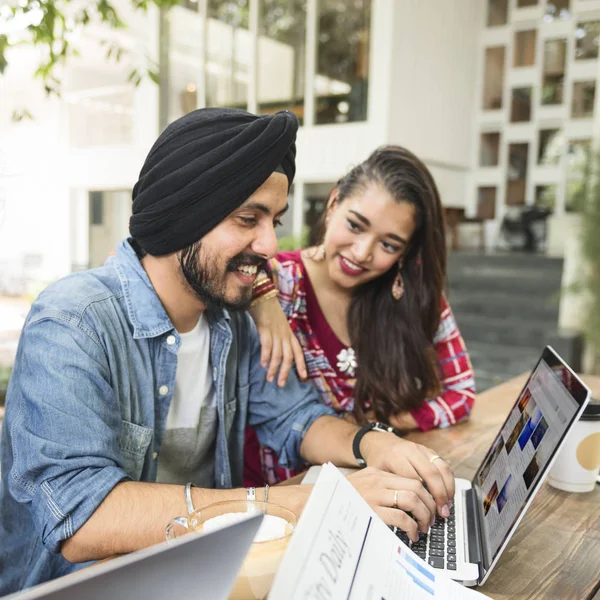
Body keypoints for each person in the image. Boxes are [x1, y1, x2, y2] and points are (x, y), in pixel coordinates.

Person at [0, 110, 454, 594]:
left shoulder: (232, 322)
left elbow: (295, 416)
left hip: (206, 573)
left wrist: (377, 444)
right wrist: (311, 503)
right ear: (184, 214)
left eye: (274, 221)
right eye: (248, 219)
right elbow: (81, 517)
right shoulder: (73, 321)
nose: (271, 244)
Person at [246, 145, 476, 485]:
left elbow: (462, 392)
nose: (361, 253)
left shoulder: (412, 297)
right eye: (355, 225)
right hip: (279, 498)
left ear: (404, 252)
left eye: (389, 244)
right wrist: (262, 300)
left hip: (375, 484)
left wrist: (386, 427)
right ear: (334, 203)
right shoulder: (277, 284)